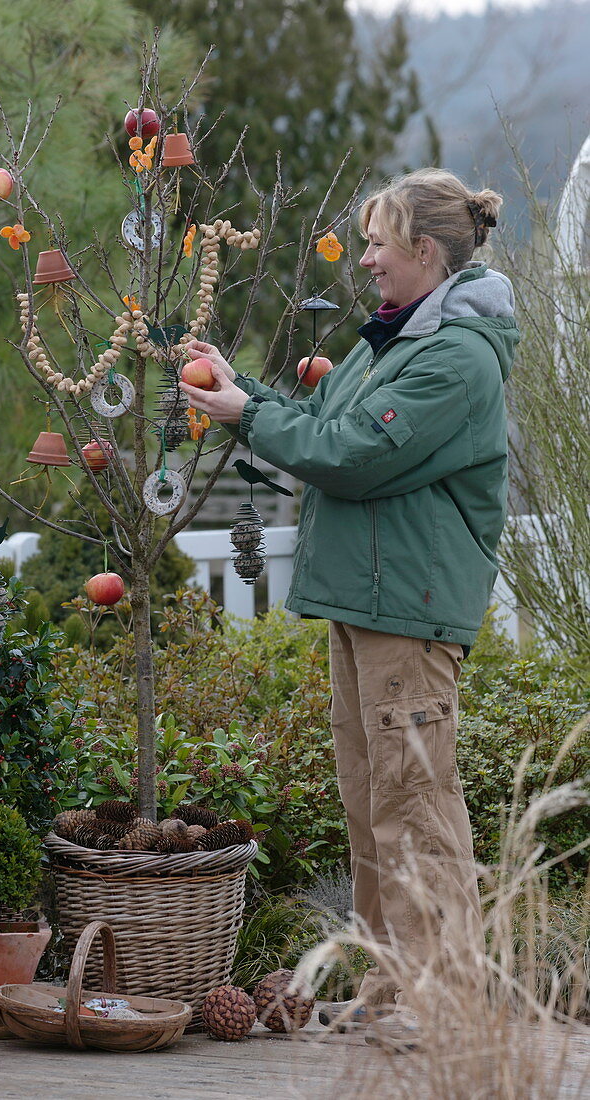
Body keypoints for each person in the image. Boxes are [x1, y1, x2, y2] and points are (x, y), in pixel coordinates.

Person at [179, 168, 519, 1050]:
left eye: (378, 242)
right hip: (364, 601)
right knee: (373, 800)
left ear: (426, 251)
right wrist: (239, 387)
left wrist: (248, 415)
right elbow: (319, 418)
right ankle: (390, 982)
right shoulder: (390, 341)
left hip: (407, 608)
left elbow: (353, 455)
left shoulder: (457, 356)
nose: (363, 257)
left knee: (417, 803)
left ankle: (441, 998)